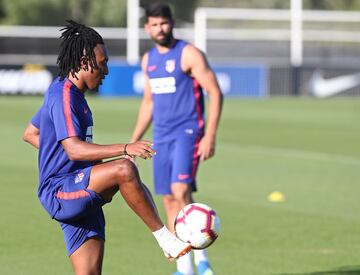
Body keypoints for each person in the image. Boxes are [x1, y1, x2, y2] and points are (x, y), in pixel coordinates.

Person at [22, 20, 191, 275]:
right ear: (83, 62)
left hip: (78, 187)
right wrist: (125, 148)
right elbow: (75, 150)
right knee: (124, 168)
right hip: (60, 191)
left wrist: (69, 162)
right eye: (102, 63)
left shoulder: (66, 92)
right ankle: (166, 239)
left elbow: (31, 133)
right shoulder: (64, 96)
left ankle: (166, 239)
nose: (107, 71)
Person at [131, 3, 223, 275]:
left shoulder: (189, 53)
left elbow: (215, 92)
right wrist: (133, 141)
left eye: (164, 23)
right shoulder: (149, 60)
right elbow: (148, 102)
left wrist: (210, 135)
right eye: (155, 24)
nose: (160, 28)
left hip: (188, 132)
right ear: (148, 27)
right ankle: (187, 268)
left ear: (172, 23)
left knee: (181, 191)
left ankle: (203, 259)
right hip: (161, 137)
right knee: (170, 200)